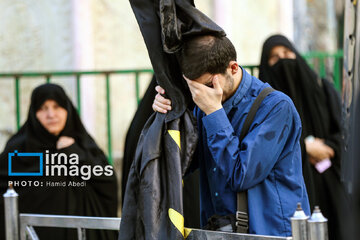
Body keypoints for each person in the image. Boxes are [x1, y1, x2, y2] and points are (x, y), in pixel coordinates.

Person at [152, 34, 310, 236]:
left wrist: (215, 114)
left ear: (233, 68)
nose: (203, 94)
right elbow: (182, 163)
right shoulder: (205, 105)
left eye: (209, 85)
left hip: (270, 231)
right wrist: (168, 113)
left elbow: (242, 175)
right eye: (196, 88)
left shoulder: (276, 107)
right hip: (220, 230)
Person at [0, 83, 118, 240]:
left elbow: (107, 182)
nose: (50, 114)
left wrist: (73, 152)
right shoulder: (19, 149)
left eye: (57, 107)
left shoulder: (83, 144)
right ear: (34, 113)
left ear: (67, 110)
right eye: (43, 108)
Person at [259, 34, 348, 240]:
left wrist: (328, 146)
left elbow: (345, 134)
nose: (283, 60)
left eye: (287, 52)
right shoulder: (263, 103)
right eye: (274, 57)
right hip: (290, 192)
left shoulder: (323, 89)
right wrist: (304, 148)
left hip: (329, 188)